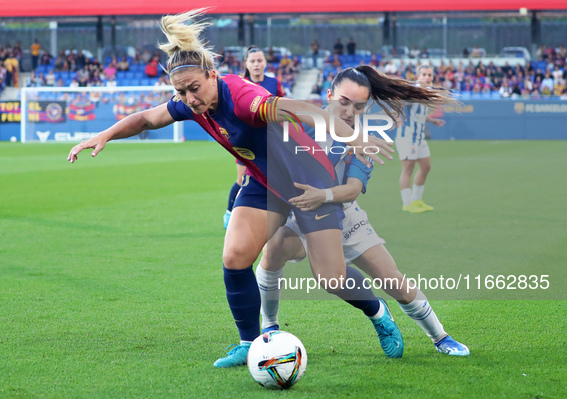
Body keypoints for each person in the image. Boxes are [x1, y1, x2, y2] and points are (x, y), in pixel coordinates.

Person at [67, 9, 450, 369]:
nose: (189, 100)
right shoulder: (190, 102)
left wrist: (345, 133)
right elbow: (149, 118)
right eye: (182, 93)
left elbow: (292, 109)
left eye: (195, 89)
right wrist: (105, 134)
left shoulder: (243, 98)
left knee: (331, 278)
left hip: (308, 182)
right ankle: (251, 343)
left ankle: (377, 313)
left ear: (213, 74)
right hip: (265, 185)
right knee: (235, 255)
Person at [257, 67, 469, 356]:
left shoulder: (363, 141)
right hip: (301, 214)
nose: (349, 111)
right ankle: (269, 328)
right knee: (273, 249)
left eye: (358, 106)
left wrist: (324, 194)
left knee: (392, 280)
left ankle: (441, 337)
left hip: (344, 217)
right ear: (329, 95)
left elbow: (353, 188)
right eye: (343, 101)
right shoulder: (301, 122)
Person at [223, 46, 286, 229]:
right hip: (246, 140)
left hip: (271, 140)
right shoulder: (239, 84)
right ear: (246, 64)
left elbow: (281, 107)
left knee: (273, 178)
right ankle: (229, 213)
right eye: (252, 61)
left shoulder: (274, 83)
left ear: (265, 63)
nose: (256, 64)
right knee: (242, 179)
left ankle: (273, 216)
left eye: (259, 60)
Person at [395, 64, 445, 213]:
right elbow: (399, 102)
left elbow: (420, 113)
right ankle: (407, 203)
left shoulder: (427, 92)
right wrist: (397, 116)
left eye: (429, 75)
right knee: (408, 169)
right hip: (407, 136)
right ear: (418, 76)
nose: (427, 77)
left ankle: (417, 200)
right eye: (424, 74)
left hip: (419, 137)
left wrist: (433, 120)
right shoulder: (413, 91)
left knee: (426, 167)